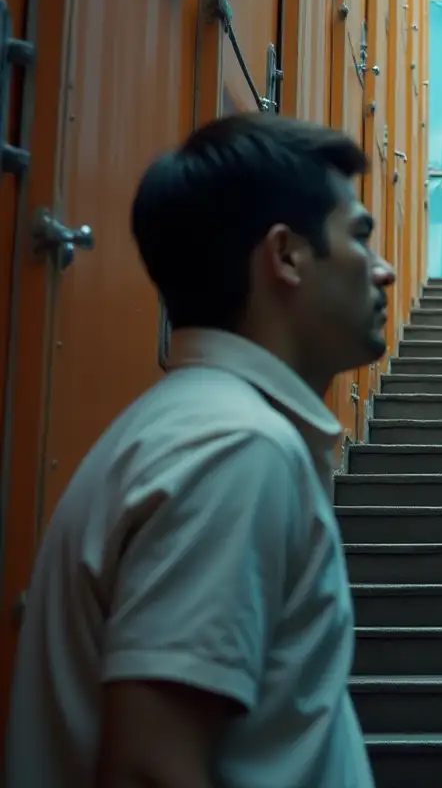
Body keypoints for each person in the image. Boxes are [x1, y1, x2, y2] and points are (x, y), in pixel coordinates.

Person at [5, 113, 394, 787]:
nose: (384, 271)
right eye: (359, 234)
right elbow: (152, 769)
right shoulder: (235, 450)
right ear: (287, 256)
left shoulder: (189, 429)